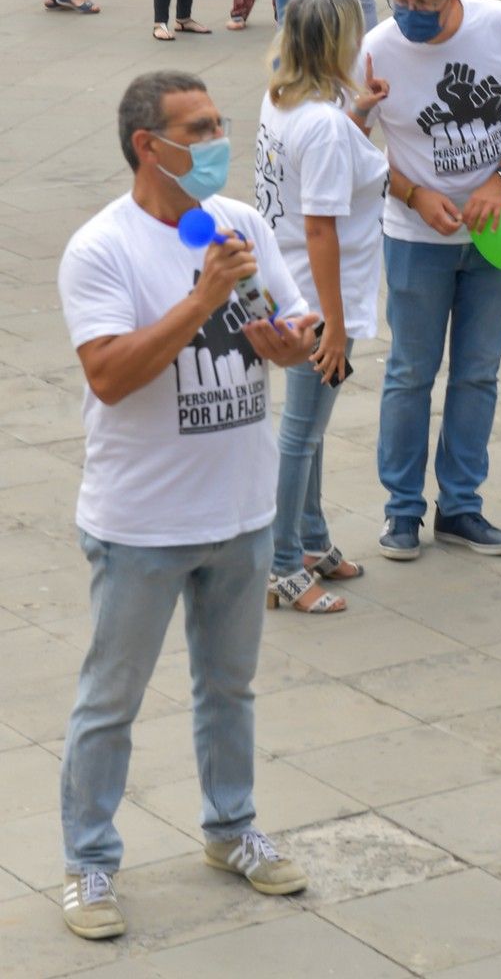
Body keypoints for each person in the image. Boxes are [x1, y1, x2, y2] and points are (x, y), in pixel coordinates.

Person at [55, 71, 316, 941]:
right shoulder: (101, 248)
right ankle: (90, 863)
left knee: (229, 689)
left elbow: (289, 326)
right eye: (198, 130)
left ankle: (232, 829)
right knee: (110, 701)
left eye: (218, 124)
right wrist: (199, 300)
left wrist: (288, 342)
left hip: (242, 509)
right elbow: (109, 375)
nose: (217, 140)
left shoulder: (237, 223)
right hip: (143, 523)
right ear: (148, 146)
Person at [363, 0, 501, 559]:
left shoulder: (499, 25)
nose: (410, 16)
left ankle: (462, 506)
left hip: (500, 235)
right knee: (411, 373)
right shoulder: (375, 50)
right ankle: (401, 512)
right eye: (399, 1)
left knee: (477, 373)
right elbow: (349, 144)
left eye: (424, 4)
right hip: (417, 238)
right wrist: (413, 194)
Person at [255, 0, 389, 613]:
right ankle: (281, 565)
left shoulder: (284, 98)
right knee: (301, 434)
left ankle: (310, 540)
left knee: (310, 428)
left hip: (284, 284)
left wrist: (357, 114)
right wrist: (333, 326)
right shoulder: (324, 126)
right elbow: (320, 227)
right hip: (315, 297)